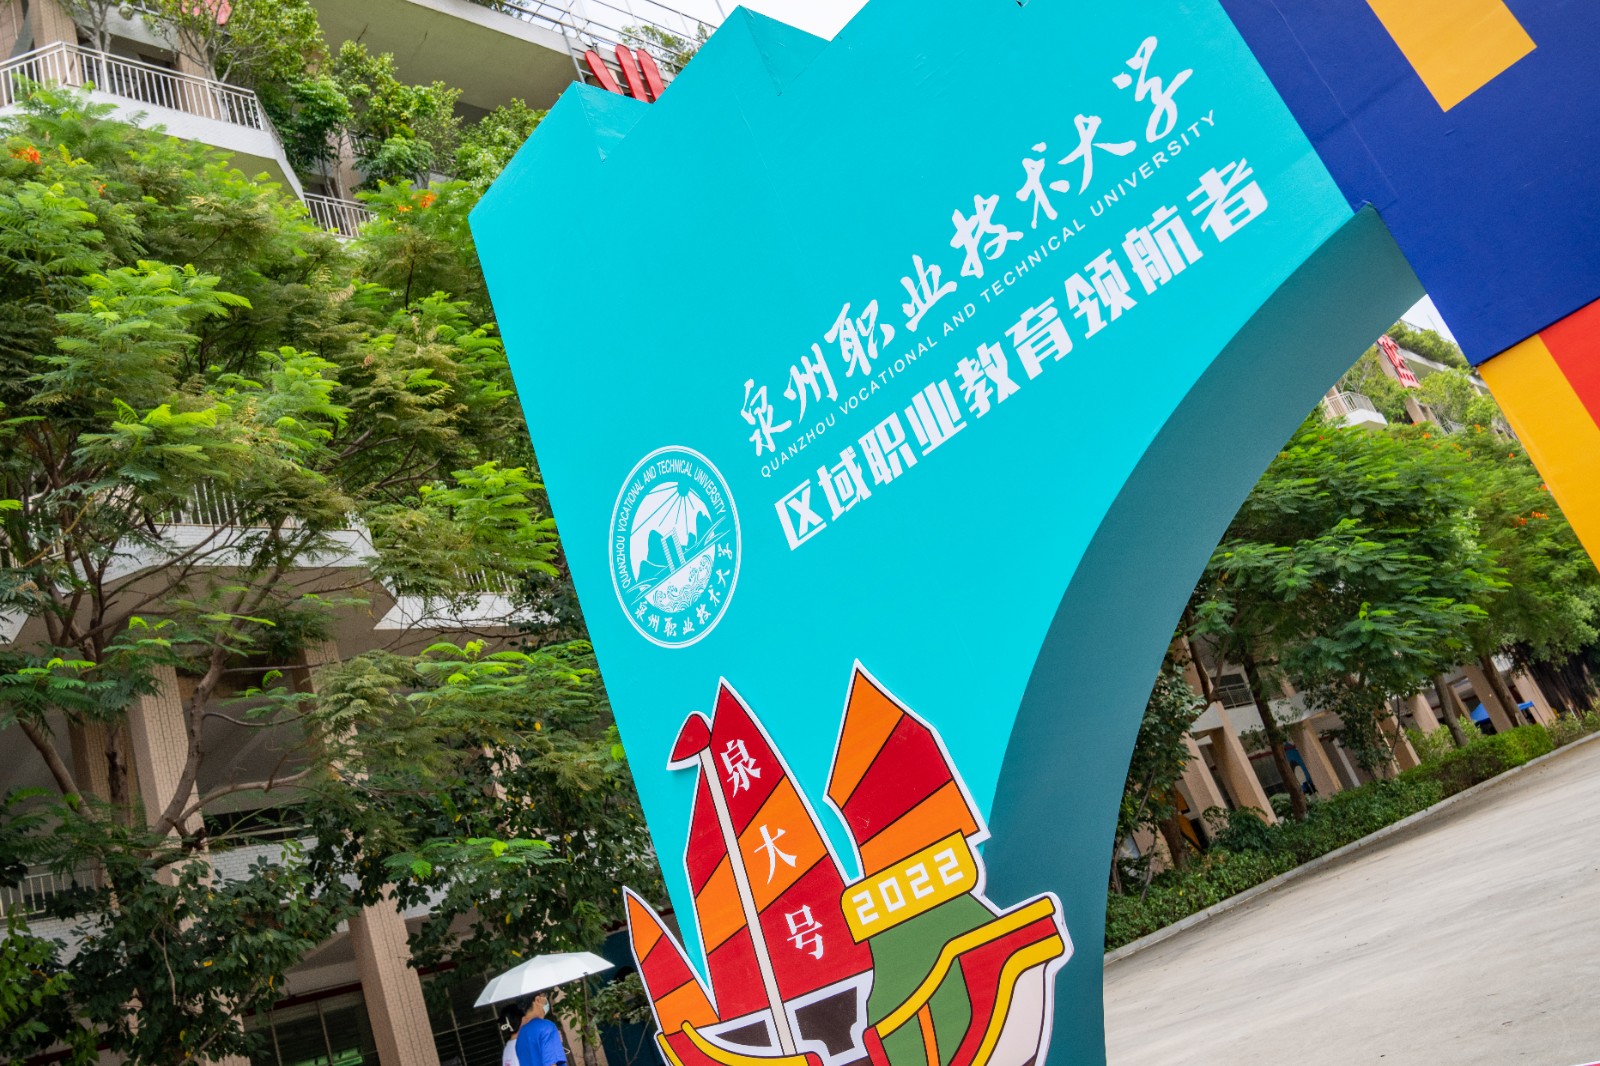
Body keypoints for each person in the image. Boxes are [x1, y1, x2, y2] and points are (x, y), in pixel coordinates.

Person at [514, 991, 568, 1066]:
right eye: (544, 995)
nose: (546, 999)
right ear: (538, 1000)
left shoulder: (520, 1037)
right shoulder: (546, 1027)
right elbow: (551, 1063)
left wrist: (554, 1042)